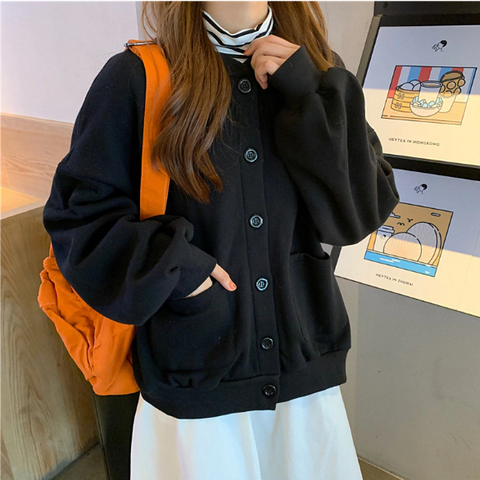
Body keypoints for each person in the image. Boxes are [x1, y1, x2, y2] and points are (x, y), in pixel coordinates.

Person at [43, 1, 399, 479]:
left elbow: (359, 214)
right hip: (197, 381)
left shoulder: (318, 70)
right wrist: (181, 272)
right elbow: (79, 220)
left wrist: (306, 93)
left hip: (305, 378)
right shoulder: (137, 77)